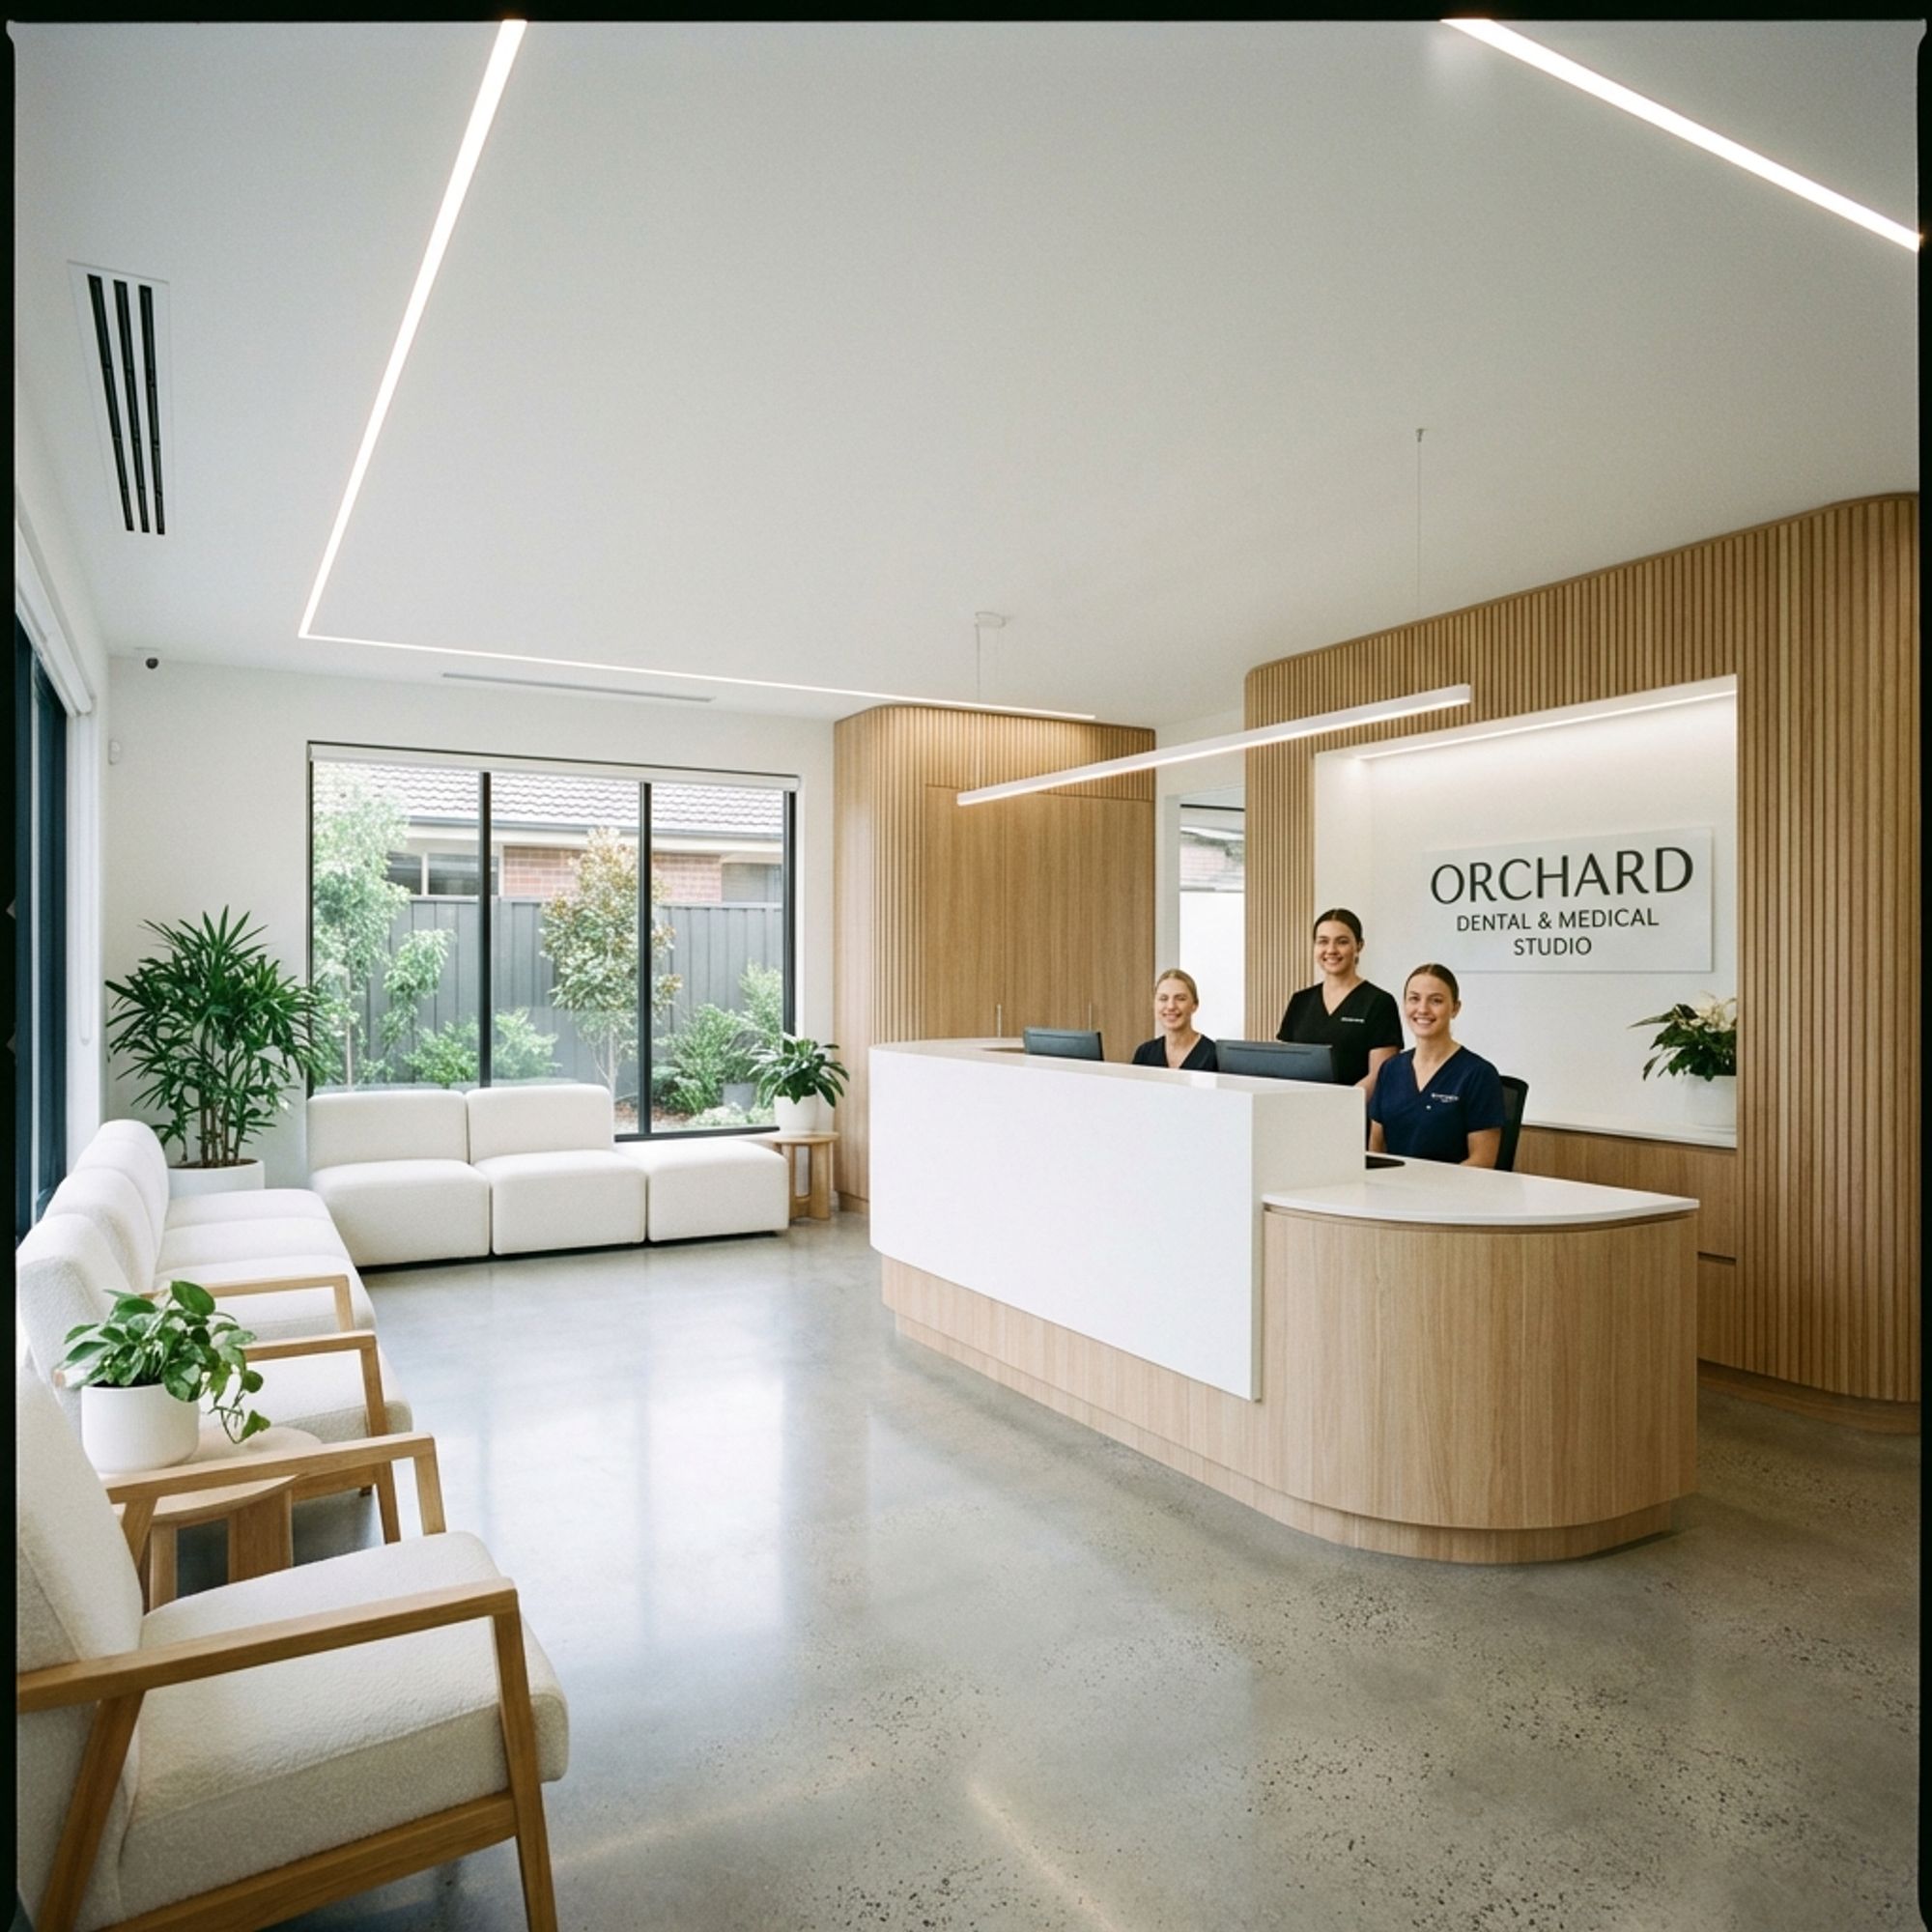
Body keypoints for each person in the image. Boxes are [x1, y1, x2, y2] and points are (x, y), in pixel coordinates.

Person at [1367, 963, 1505, 1167]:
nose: (1423, 1009)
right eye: (1414, 999)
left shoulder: (1478, 1074)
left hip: (1453, 1187)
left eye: (1436, 1001)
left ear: (1455, 1008)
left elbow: (1483, 1161)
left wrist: (1430, 1186)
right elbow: (1376, 1148)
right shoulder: (1390, 1069)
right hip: (1391, 1185)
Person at [1276, 908, 1403, 1093]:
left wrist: (1340, 1105)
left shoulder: (1379, 1002)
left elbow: (1380, 1075)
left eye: (1342, 942)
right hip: (1301, 1105)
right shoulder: (1300, 1001)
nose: (1331, 950)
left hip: (1353, 1107)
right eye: (1323, 941)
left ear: (1359, 946)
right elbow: (1285, 1065)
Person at [1131, 968, 1218, 1071]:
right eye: (1163, 999)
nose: (1171, 1006)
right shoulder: (1144, 1054)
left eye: (1180, 999)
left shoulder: (1214, 1055)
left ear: (1195, 1005)